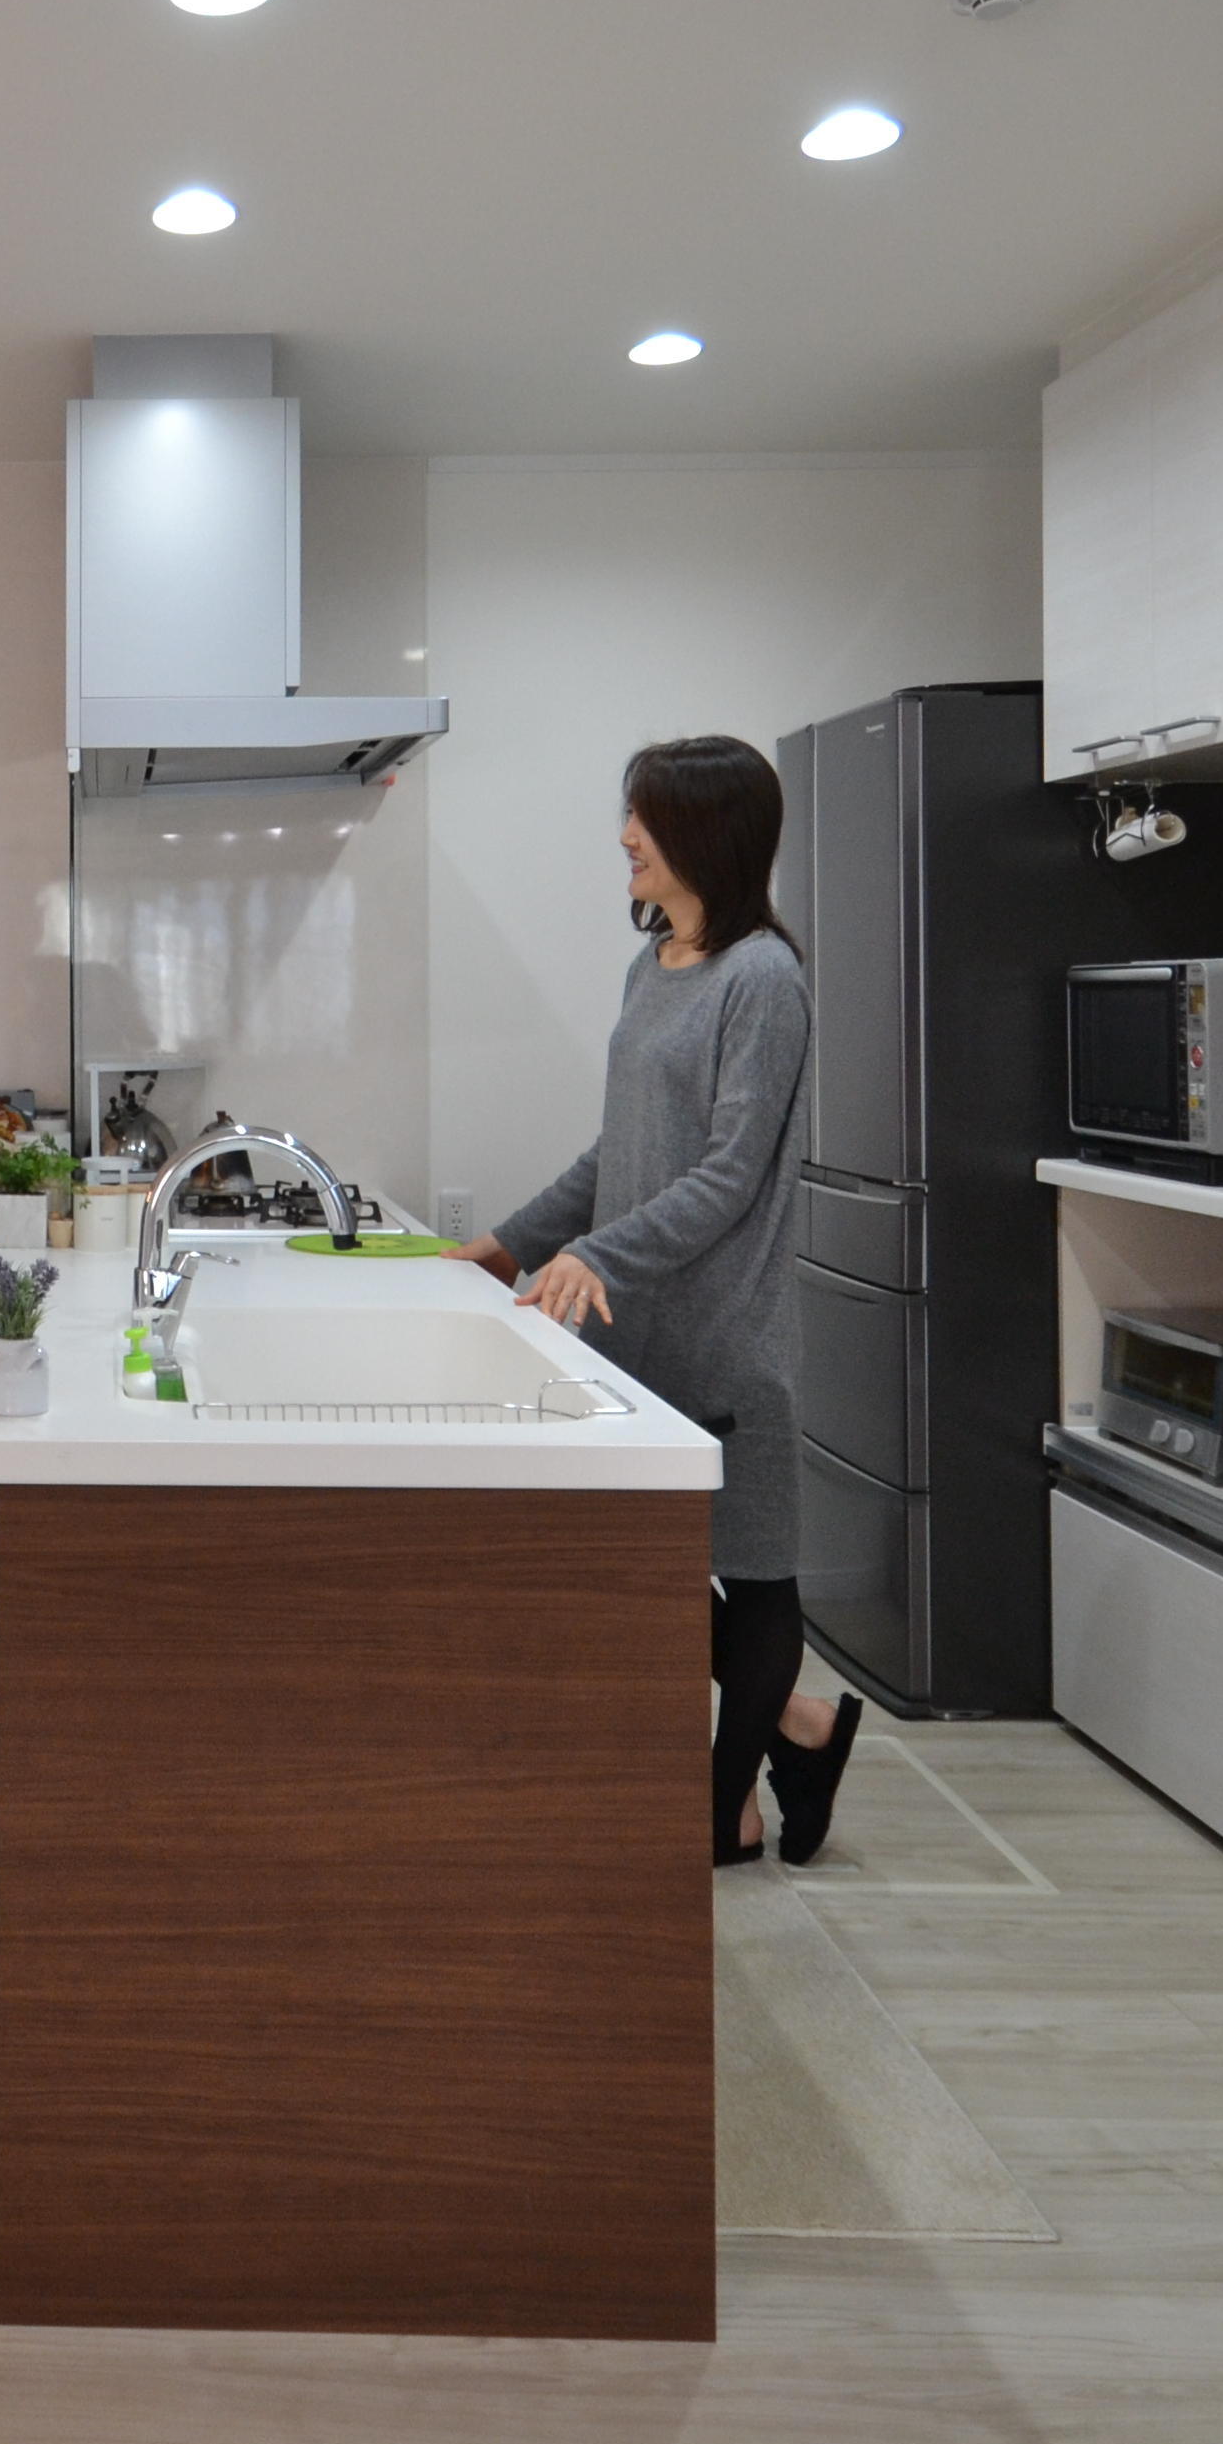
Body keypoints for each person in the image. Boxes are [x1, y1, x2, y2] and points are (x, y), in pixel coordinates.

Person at [458, 737, 861, 1866]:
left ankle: (727, 1812)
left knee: (754, 1564)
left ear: (706, 834)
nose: (626, 836)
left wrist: (599, 1255)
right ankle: (803, 1731)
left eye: (645, 818)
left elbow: (729, 1173)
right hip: (632, 1324)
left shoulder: (764, 981)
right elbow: (619, 1150)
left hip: (724, 1326)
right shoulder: (656, 966)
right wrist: (510, 1243)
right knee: (642, 1551)